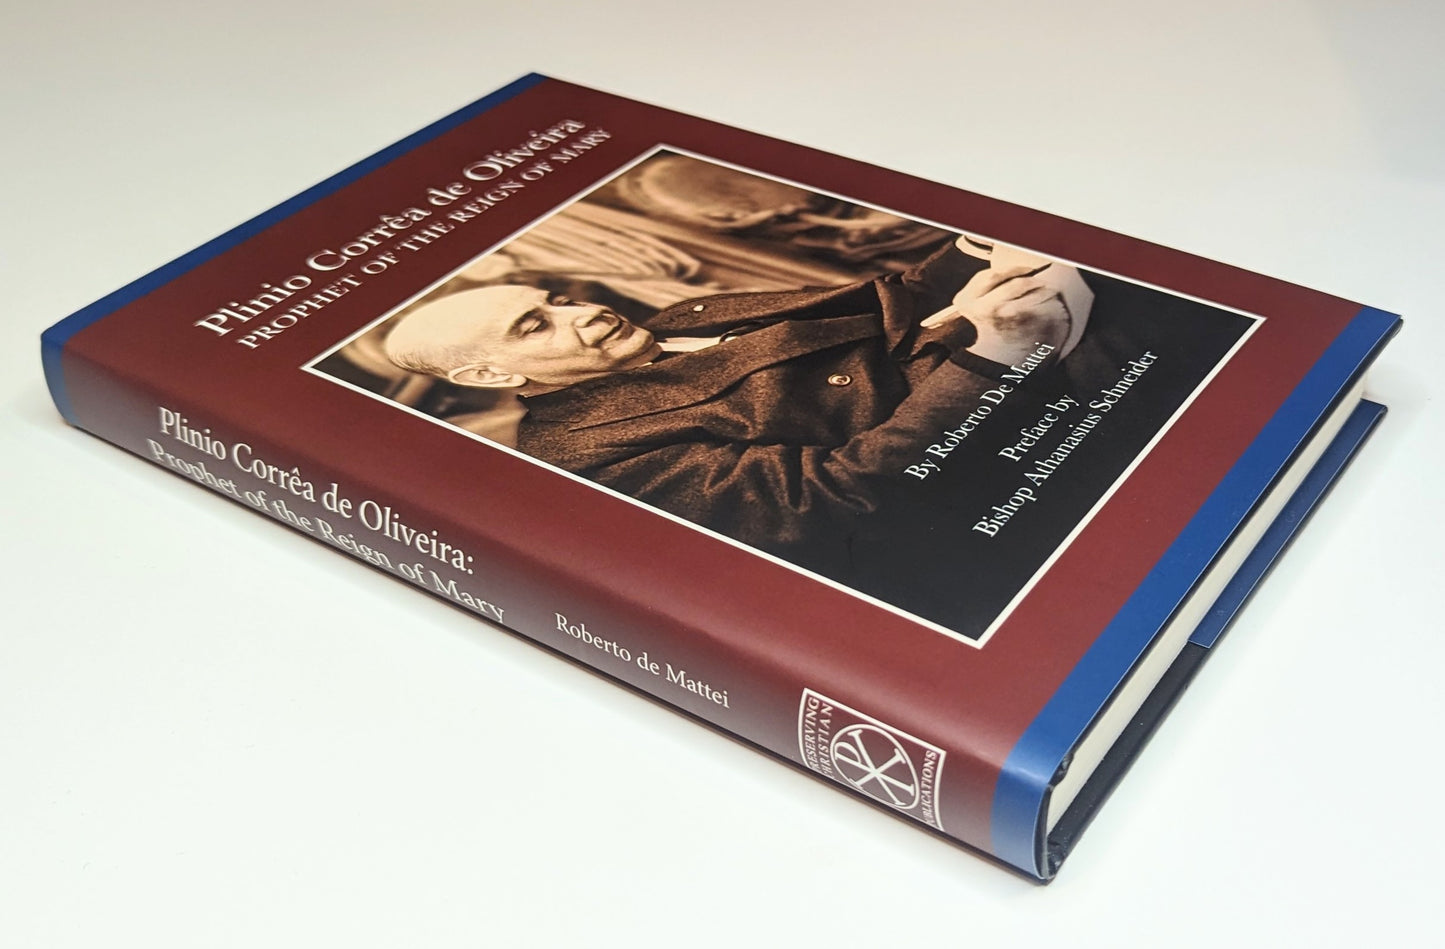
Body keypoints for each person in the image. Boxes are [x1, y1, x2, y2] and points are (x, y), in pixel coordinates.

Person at [383, 237, 1090, 581]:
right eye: (535, 326)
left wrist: (976, 250)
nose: (584, 312)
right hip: (1012, 454)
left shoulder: (679, 316)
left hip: (1012, 344)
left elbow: (891, 296)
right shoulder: (577, 451)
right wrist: (997, 357)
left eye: (557, 299)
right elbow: (834, 498)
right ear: (489, 374)